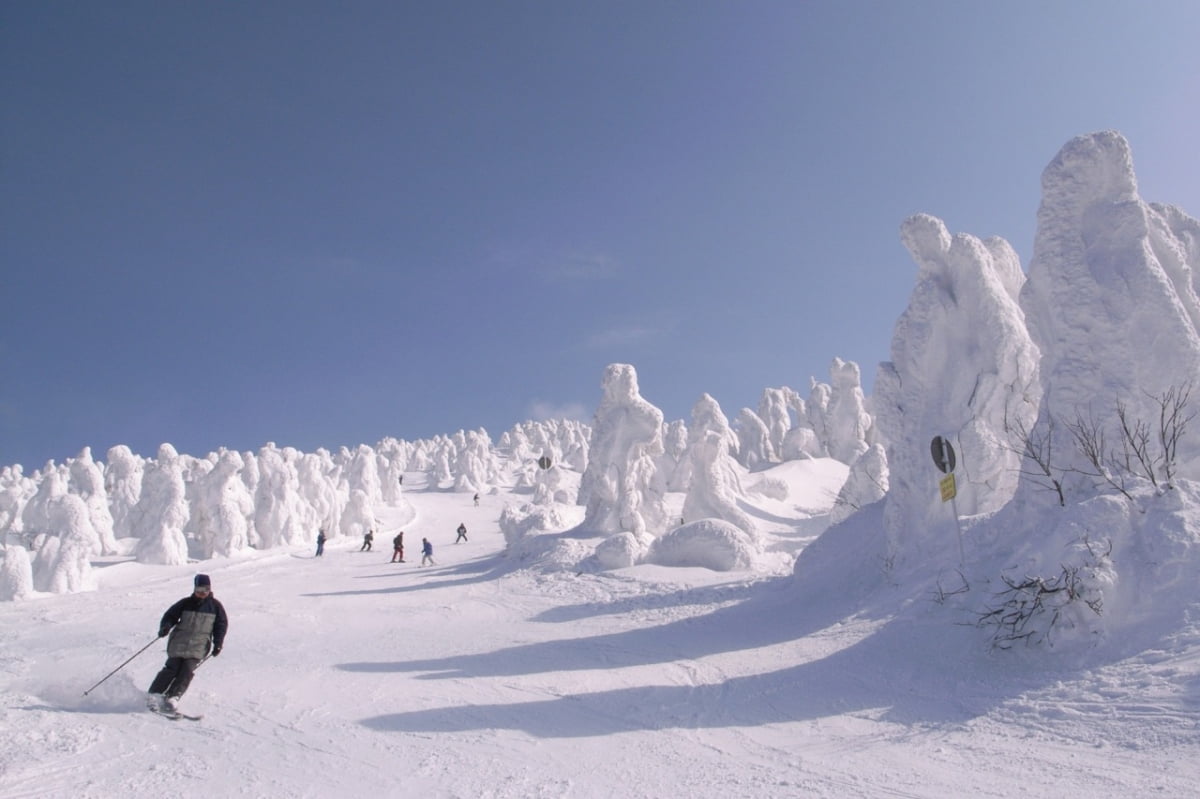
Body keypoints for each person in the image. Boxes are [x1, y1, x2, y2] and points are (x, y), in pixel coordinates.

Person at [147, 574, 228, 714]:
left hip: (199, 646)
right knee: (172, 668)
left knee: (187, 670)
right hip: (179, 642)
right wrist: (165, 627)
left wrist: (218, 643)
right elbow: (170, 616)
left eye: (205, 590)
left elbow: (221, 626)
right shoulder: (185, 603)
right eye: (199, 589)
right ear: (194, 589)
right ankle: (154, 694)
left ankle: (173, 697)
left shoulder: (215, 607)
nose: (202, 593)